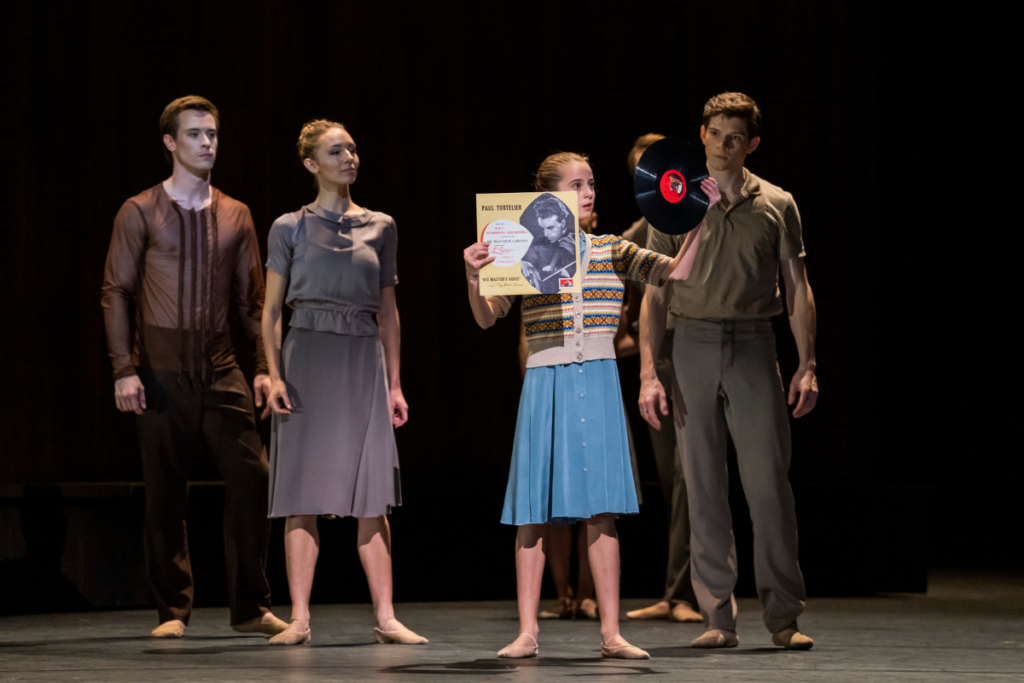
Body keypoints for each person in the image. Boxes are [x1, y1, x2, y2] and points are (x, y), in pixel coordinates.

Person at [464, 152, 719, 660]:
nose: (588, 193)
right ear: (548, 198)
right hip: (545, 383)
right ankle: (527, 632)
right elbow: (489, 319)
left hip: (598, 380)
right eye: (576, 185)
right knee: (533, 512)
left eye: (592, 183)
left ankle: (611, 633)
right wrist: (474, 278)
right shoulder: (525, 249)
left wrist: (702, 219)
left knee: (602, 511)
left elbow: (674, 274)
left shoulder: (611, 248)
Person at [101, 95, 286, 639]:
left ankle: (250, 608)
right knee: (166, 490)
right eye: (195, 135)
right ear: (170, 143)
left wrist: (262, 367)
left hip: (221, 364)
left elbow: (253, 302)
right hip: (157, 368)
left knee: (253, 476)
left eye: (213, 134)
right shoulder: (138, 211)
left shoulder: (236, 213)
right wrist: (122, 368)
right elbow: (116, 292)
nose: (208, 143)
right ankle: (172, 611)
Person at [639, 92, 818, 650]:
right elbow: (653, 293)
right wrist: (648, 370)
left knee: (767, 485)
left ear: (752, 143)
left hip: (752, 343)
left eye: (734, 137)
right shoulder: (677, 200)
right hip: (689, 344)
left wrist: (807, 364)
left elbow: (798, 288)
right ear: (702, 135)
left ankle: (784, 618)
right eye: (715, 134)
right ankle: (718, 617)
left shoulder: (777, 202)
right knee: (703, 485)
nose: (722, 145)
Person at [262, 120, 426, 647]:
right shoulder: (288, 227)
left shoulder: (382, 225)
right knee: (300, 492)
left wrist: (395, 383)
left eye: (353, 147)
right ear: (311, 163)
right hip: (307, 355)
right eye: (337, 150)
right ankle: (301, 618)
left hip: (362, 357)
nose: (350, 156)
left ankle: (386, 616)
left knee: (371, 492)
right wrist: (274, 373)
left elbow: (389, 313)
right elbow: (268, 313)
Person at [620, 134, 704, 624]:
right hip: (659, 357)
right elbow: (613, 252)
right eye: (639, 174)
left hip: (695, 346)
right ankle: (676, 592)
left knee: (694, 478)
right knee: (674, 479)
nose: (647, 181)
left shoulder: (695, 207)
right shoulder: (648, 223)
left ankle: (690, 592)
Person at [519, 194, 577, 294]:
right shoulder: (538, 243)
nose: (546, 234)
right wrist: (523, 263)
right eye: (543, 228)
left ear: (563, 223)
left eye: (550, 228)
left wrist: (577, 253)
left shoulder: (577, 239)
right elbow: (525, 258)